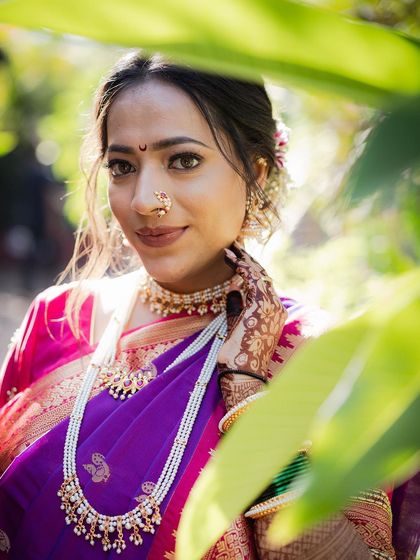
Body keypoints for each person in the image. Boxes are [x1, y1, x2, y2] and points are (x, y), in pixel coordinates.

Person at [0, 52, 400, 559]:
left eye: (183, 161)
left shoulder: (318, 357)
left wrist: (249, 392)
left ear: (255, 172)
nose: (145, 199)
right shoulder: (58, 319)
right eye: (123, 166)